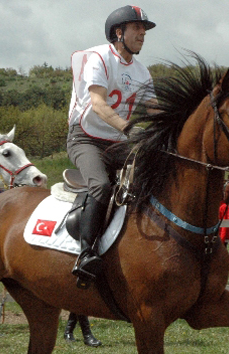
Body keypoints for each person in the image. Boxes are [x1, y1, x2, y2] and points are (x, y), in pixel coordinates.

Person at [67, 5, 157, 285]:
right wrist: (131, 129)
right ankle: (85, 255)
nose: (143, 33)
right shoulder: (99, 58)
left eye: (144, 29)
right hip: (86, 139)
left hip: (119, 143)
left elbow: (156, 111)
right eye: (137, 28)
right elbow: (97, 106)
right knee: (101, 186)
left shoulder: (143, 72)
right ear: (119, 32)